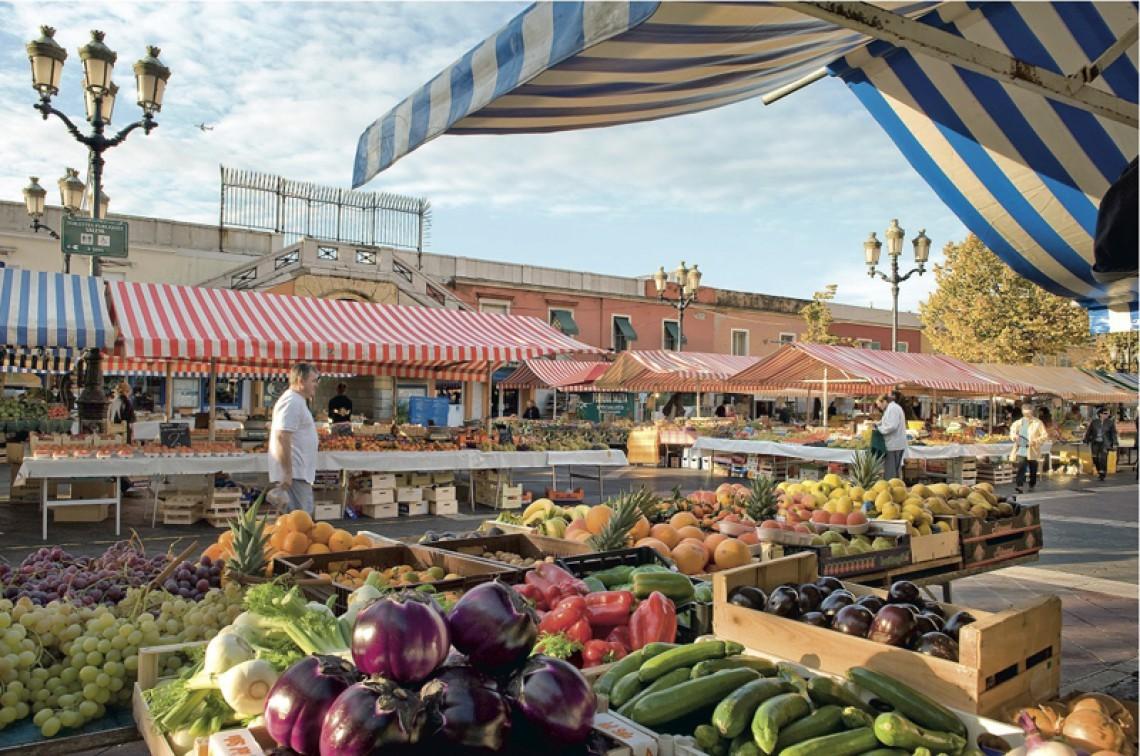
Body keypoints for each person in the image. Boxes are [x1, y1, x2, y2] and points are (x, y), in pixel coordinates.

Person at [269, 363, 320, 515]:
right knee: (298, 523)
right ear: (300, 381)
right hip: (295, 474)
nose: (316, 385)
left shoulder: (297, 401)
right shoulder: (292, 402)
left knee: (299, 521)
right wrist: (287, 473)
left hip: (299, 474)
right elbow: (281, 436)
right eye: (313, 380)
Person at [1009, 403, 1048, 493]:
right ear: (1023, 412)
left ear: (1032, 412)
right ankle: (1020, 485)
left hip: (1032, 449)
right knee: (1021, 467)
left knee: (1033, 468)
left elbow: (1044, 435)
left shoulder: (1038, 423)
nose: (1027, 415)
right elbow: (1012, 432)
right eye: (1025, 413)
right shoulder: (1018, 423)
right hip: (1021, 448)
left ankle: (1032, 484)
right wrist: (1014, 437)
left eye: (1028, 413)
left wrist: (1035, 441)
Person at [875, 392, 908, 481]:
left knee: (891, 472)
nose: (879, 407)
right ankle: (895, 487)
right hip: (894, 444)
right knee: (893, 471)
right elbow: (885, 421)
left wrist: (879, 429)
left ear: (884, 401)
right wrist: (877, 424)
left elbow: (892, 426)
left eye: (879, 404)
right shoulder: (890, 408)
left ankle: (891, 489)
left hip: (894, 445)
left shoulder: (892, 409)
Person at [1083, 406, 1119, 482]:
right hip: (1095, 443)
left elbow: (1113, 434)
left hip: (1105, 443)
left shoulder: (1110, 423)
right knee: (1095, 458)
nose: (1107, 415)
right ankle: (1099, 470)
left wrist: (1115, 443)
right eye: (1105, 413)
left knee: (1103, 458)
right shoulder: (1094, 422)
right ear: (1100, 414)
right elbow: (1089, 432)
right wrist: (1086, 439)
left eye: (1107, 414)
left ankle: (1103, 473)